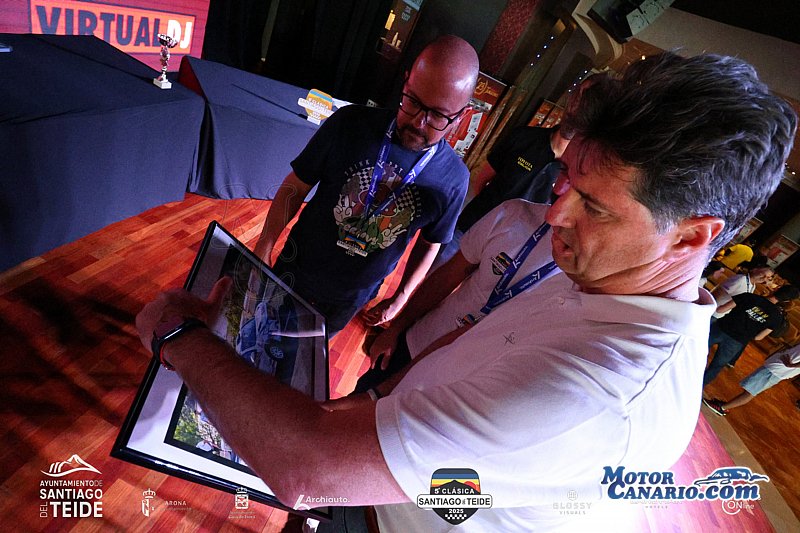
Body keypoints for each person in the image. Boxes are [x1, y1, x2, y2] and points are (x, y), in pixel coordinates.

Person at [135, 52, 796, 531]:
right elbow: (471, 341)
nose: (555, 213)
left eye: (593, 205)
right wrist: (372, 400)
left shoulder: (598, 390)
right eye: (566, 178)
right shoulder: (605, 285)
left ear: (691, 237)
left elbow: (305, 469)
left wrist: (179, 334)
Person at [252, 36, 480, 334]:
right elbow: (297, 183)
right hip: (295, 268)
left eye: (437, 115)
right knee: (255, 333)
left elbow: (430, 243)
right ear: (406, 82)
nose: (418, 122)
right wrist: (265, 243)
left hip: (351, 298)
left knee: (303, 355)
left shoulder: (454, 179)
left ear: (462, 117)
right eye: (412, 101)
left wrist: (401, 297)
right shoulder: (349, 123)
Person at [353, 198, 560, 394]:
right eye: (564, 175)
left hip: (460, 385)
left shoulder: (575, 290)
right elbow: (447, 277)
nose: (561, 187)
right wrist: (396, 328)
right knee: (355, 404)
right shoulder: (515, 213)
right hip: (416, 344)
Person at [431, 126, 570, 268]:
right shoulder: (525, 135)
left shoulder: (574, 170)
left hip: (507, 250)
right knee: (436, 271)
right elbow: (483, 178)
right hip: (471, 225)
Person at [703, 285, 799, 386]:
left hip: (719, 329)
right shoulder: (777, 318)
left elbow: (720, 310)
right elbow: (758, 337)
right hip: (737, 341)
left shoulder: (749, 296)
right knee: (715, 367)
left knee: (696, 352)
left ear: (776, 289)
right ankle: (697, 388)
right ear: (787, 301)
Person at [703, 343, 800, 416]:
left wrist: (791, 365)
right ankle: (724, 406)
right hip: (776, 367)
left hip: (777, 370)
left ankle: (722, 408)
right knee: (750, 389)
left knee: (751, 391)